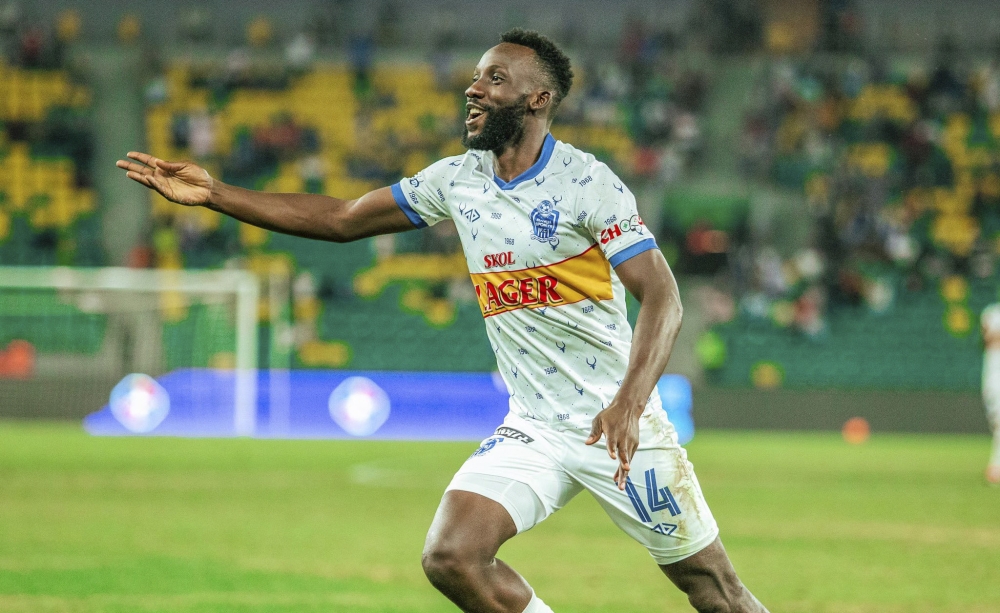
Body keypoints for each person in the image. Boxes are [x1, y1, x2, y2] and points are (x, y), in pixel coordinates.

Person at [117, 28, 768, 613]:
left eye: (494, 78)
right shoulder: (457, 180)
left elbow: (663, 295)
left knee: (714, 590)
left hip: (616, 425)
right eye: (477, 76)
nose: (473, 87)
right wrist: (216, 194)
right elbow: (342, 220)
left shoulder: (587, 185)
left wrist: (629, 403)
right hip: (535, 428)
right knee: (452, 555)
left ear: (538, 98)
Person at [981, 304, 1000, 485]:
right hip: (995, 378)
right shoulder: (992, 312)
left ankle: (995, 467)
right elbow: (988, 340)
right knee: (997, 423)